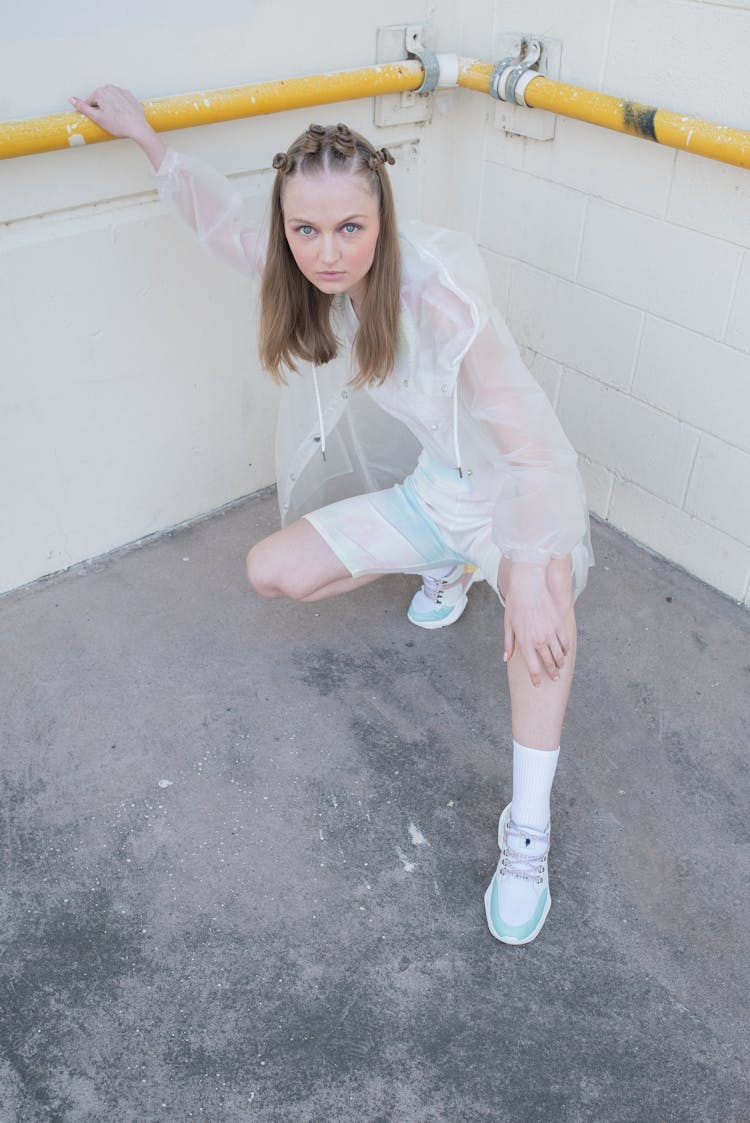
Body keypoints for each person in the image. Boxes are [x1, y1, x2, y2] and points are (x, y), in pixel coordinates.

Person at [69, 85, 594, 946]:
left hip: (512, 498)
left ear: (381, 218)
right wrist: (149, 142)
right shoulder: (307, 271)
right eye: (304, 229)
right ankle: (448, 563)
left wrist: (533, 570)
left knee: (544, 634)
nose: (326, 252)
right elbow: (227, 233)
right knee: (271, 570)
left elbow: (536, 452)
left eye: (348, 227)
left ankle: (525, 833)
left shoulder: (440, 297)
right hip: (440, 491)